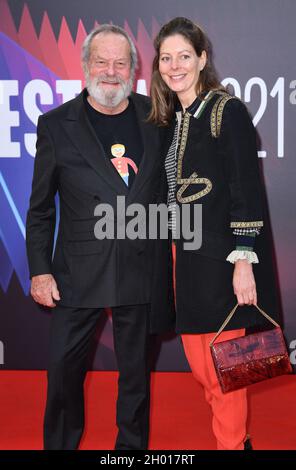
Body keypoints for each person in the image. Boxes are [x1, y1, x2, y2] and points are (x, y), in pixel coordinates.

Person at [26, 24, 173, 450]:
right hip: (77, 271)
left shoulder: (158, 119)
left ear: (134, 68)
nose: (111, 71)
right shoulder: (56, 125)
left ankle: (130, 452)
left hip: (142, 268)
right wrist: (40, 271)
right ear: (86, 65)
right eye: (102, 62)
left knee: (135, 378)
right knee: (63, 373)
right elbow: (39, 208)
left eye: (120, 63)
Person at [149, 17, 280, 450]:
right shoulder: (171, 119)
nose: (175, 65)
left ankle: (231, 445)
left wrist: (244, 260)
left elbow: (246, 188)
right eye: (166, 58)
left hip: (224, 260)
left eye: (184, 56)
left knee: (228, 370)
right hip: (184, 261)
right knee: (203, 368)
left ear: (202, 59)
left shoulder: (228, 110)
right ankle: (235, 439)